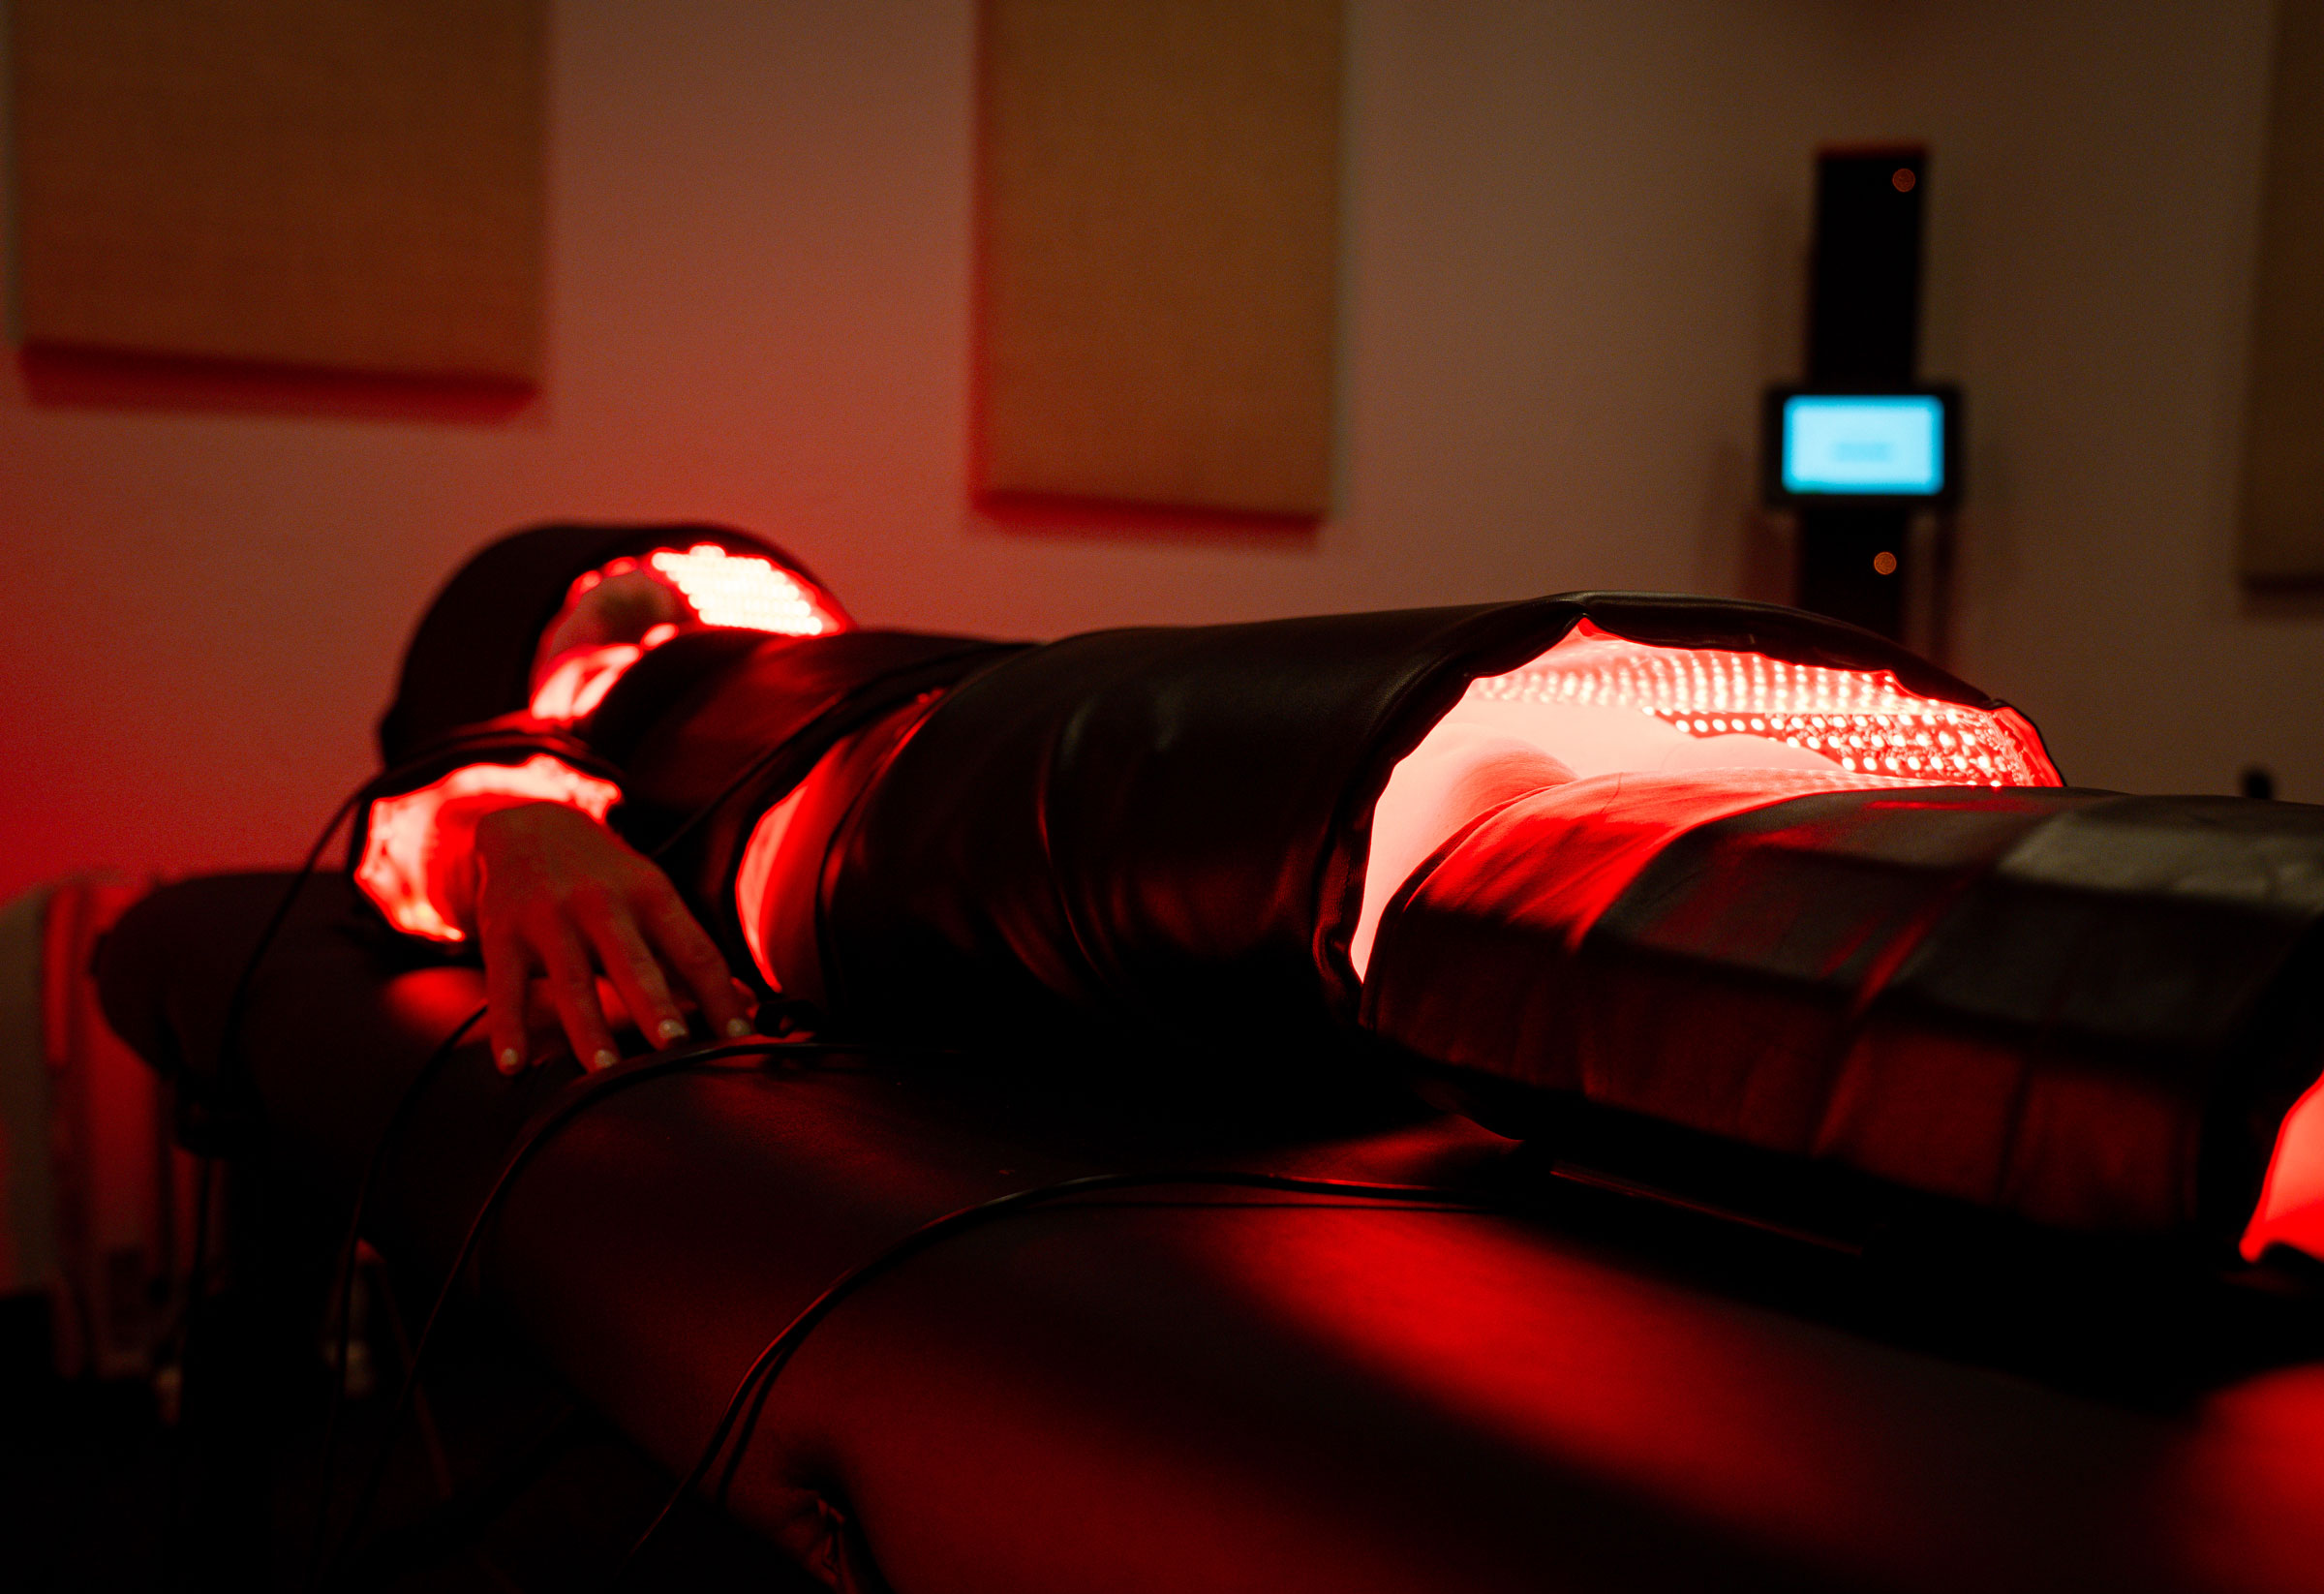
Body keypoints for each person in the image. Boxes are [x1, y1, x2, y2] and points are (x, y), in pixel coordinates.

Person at [352, 523, 2324, 1260]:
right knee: (1443, 850)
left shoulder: (882, 665)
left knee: (1475, 809)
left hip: (1046, 767)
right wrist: (523, 817)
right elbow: (413, 825)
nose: (669, 594)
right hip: (959, 841)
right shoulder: (542, 761)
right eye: (608, 598)